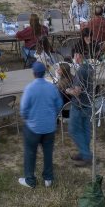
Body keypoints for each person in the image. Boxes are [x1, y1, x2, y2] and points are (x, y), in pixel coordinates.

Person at [19, 60, 64, 188]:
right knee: (48, 152)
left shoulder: (29, 88)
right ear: (44, 73)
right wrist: (51, 116)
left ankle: (30, 180)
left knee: (30, 153)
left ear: (34, 73)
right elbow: (59, 105)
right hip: (49, 127)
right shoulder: (51, 87)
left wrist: (28, 118)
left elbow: (23, 110)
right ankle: (48, 179)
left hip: (33, 128)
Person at [65, 49, 94, 166]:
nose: (74, 57)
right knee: (85, 130)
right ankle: (84, 153)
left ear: (78, 56)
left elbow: (77, 92)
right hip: (88, 104)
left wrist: (68, 90)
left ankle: (86, 156)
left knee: (74, 130)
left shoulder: (81, 71)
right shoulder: (90, 67)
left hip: (79, 105)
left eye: (75, 55)